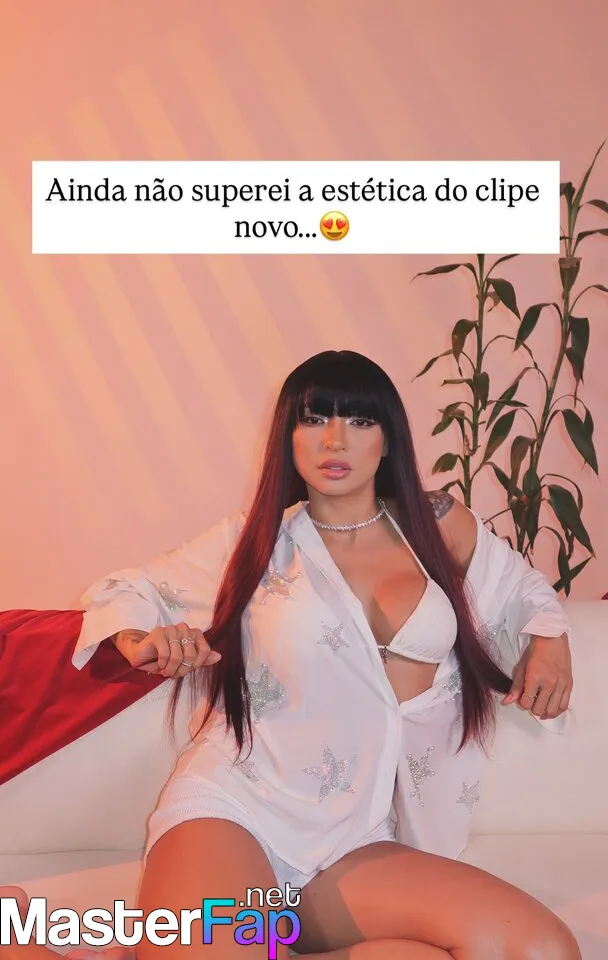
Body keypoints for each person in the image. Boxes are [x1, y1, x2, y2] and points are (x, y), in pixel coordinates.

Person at [3, 351, 579, 959]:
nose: (335, 440)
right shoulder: (255, 542)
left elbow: (522, 589)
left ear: (388, 439)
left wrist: (550, 640)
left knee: (540, 950)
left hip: (358, 842)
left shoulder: (437, 525)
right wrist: (141, 640)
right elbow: (127, 591)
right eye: (314, 419)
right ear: (289, 436)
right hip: (237, 815)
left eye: (360, 420)